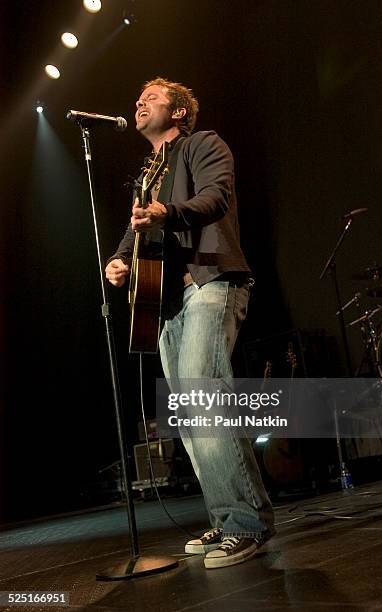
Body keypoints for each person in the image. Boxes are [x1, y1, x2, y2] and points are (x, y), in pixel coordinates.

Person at [105, 77, 275, 569]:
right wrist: (119, 260)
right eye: (138, 97)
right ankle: (224, 518)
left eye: (152, 97)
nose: (140, 101)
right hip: (166, 301)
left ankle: (247, 523)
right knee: (190, 416)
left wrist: (166, 211)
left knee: (206, 397)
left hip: (210, 281)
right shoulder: (149, 172)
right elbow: (137, 230)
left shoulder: (204, 144)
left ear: (178, 113)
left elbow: (216, 199)